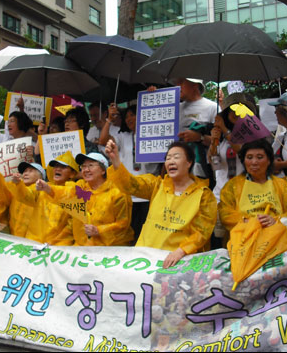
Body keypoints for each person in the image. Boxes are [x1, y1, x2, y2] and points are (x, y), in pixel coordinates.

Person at [105, 140, 217, 268]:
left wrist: (182, 251)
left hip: (178, 261)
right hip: (145, 258)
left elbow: (202, 232)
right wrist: (116, 161)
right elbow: (130, 185)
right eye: (168, 158)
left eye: (176, 157)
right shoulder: (157, 185)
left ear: (189, 162)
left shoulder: (204, 195)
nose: (171, 161)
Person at [36, 152, 134, 247]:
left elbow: (123, 224)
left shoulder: (118, 193)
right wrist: (47, 188)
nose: (86, 170)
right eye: (83, 166)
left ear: (103, 170)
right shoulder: (81, 187)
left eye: (91, 165)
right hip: (82, 248)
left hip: (111, 251)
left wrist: (99, 230)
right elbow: (66, 193)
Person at [218, 139, 287, 246]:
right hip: (244, 241)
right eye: (249, 157)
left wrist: (276, 220)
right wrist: (247, 221)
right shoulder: (232, 186)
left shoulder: (283, 185)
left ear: (269, 161)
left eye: (260, 157)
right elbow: (225, 214)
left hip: (277, 239)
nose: (254, 162)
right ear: (244, 161)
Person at [99, 104, 159, 241]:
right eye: (126, 116)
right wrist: (108, 119)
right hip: (128, 194)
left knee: (146, 234)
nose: (129, 119)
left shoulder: (154, 134)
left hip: (148, 193)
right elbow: (103, 140)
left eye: (133, 114)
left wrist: (152, 97)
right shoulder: (123, 136)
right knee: (130, 234)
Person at [13, 151, 80, 245]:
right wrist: (18, 184)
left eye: (63, 167)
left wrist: (56, 242)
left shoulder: (75, 190)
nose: (58, 169)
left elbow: (72, 223)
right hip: (33, 241)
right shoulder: (41, 186)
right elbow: (26, 197)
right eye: (56, 166)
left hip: (59, 245)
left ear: (72, 173)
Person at [0, 160, 46, 238]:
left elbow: (28, 195)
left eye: (31, 171)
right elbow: (0, 186)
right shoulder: (15, 189)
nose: (26, 173)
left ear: (41, 177)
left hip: (33, 241)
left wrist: (18, 184)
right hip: (14, 239)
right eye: (25, 171)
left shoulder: (43, 191)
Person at [175, 78, 218, 183]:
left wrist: (199, 137)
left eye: (181, 82)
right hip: (178, 170)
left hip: (204, 171)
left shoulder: (212, 107)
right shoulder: (174, 108)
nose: (177, 85)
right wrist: (152, 95)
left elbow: (220, 141)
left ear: (195, 84)